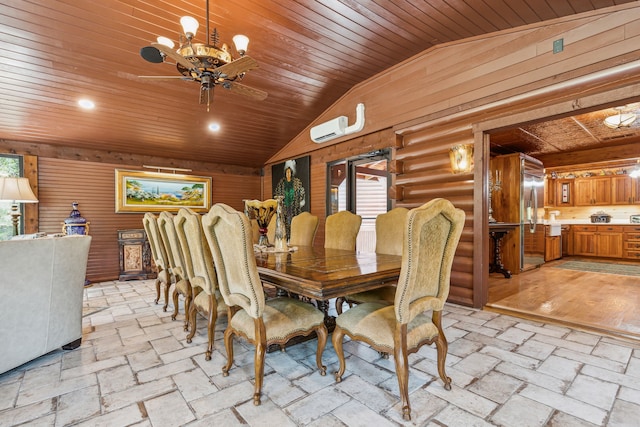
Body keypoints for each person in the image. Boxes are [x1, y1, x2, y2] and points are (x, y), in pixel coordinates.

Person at [274, 159, 306, 241]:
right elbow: (277, 194)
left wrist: (300, 201)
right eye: (287, 172)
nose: (288, 174)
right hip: (284, 207)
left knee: (294, 224)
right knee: (285, 224)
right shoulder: (281, 183)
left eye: (289, 172)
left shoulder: (296, 182)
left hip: (294, 207)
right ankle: (286, 239)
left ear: (292, 172)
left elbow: (301, 191)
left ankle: (293, 240)